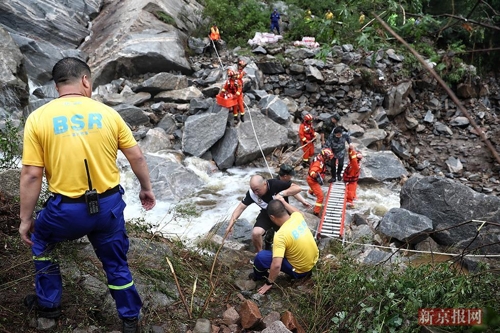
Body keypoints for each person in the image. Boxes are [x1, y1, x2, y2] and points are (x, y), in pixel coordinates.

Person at [19, 57, 156, 333]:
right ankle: (130, 319)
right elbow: (137, 156)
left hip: (65, 211)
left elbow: (32, 175)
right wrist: (146, 188)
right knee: (116, 263)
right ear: (85, 81)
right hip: (108, 208)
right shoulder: (108, 114)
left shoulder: (38, 118)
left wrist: (25, 220)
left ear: (56, 85)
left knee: (42, 240)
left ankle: (49, 306)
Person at [250, 197, 319, 295]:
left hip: (300, 271)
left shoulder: (281, 235)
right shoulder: (298, 217)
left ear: (272, 217)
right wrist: (283, 201)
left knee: (260, 257)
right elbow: (295, 211)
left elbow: (277, 265)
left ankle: (259, 276)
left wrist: (269, 283)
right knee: (286, 248)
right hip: (313, 261)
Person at [226, 175, 302, 253]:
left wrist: (283, 193)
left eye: (257, 190)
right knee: (256, 233)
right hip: (267, 213)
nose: (255, 193)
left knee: (289, 237)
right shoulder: (252, 194)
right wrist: (231, 224)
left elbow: (297, 188)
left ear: (265, 184)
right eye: (253, 190)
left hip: (281, 213)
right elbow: (240, 208)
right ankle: (260, 253)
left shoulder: (275, 184)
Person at [306, 148, 334, 216]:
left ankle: (310, 192)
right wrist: (316, 176)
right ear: (325, 157)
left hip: (312, 179)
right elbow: (312, 171)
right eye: (328, 158)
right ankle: (316, 212)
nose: (328, 160)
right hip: (312, 180)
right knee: (320, 197)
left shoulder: (319, 157)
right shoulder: (318, 163)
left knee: (314, 188)